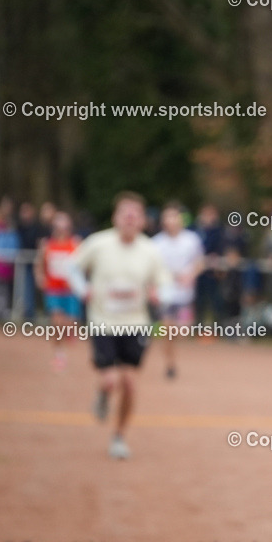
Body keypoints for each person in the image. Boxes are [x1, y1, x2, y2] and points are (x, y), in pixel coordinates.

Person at [68, 191, 167, 460]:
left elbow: (162, 283)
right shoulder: (98, 243)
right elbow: (72, 267)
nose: (130, 219)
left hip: (136, 324)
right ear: (116, 217)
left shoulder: (150, 250)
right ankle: (102, 394)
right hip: (103, 321)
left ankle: (119, 437)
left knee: (130, 384)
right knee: (110, 380)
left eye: (136, 215)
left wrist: (158, 294)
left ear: (143, 221)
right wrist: (82, 288)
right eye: (126, 214)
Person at [151, 201, 204, 379]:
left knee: (182, 331)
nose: (171, 220)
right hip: (166, 293)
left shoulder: (191, 240)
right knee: (167, 330)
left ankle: (175, 356)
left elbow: (200, 262)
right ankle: (170, 364)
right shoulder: (156, 243)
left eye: (175, 216)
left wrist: (190, 275)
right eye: (168, 216)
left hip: (185, 294)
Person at [34, 211, 82, 371]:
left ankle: (70, 332)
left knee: (69, 324)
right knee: (56, 323)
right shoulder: (47, 245)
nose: (60, 229)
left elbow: (83, 265)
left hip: (70, 291)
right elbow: (39, 264)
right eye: (57, 226)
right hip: (53, 290)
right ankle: (59, 355)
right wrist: (40, 277)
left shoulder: (75, 243)